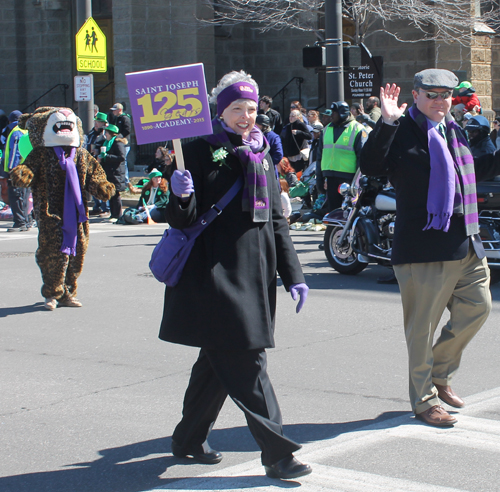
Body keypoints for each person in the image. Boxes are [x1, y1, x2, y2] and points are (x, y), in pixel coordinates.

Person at [159, 70, 311, 480]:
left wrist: (292, 273)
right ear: (220, 111)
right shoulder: (195, 150)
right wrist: (180, 193)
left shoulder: (261, 151)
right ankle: (278, 453)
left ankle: (188, 438)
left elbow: (276, 220)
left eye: (250, 108)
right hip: (215, 275)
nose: (246, 117)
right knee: (247, 361)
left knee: (217, 361)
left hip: (255, 273)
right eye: (236, 109)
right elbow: (181, 220)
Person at [360, 69, 500, 428]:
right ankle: (424, 401)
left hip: (465, 239)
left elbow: (471, 170)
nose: (441, 101)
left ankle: (439, 373)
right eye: (432, 94)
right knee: (421, 329)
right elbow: (372, 165)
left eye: (446, 95)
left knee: (479, 308)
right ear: (416, 95)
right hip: (424, 245)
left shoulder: (454, 129)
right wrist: (387, 123)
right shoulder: (401, 129)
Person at [316, 101, 367, 212]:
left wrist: (358, 182)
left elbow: (362, 158)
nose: (331, 115)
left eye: (334, 113)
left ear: (343, 113)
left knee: (349, 212)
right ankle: (335, 230)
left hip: (349, 180)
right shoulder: (326, 130)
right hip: (330, 178)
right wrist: (319, 179)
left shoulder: (357, 129)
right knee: (333, 212)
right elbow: (319, 156)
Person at [2, 111, 31, 232]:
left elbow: (15, 152)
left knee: (16, 195)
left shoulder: (15, 132)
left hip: (18, 168)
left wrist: (11, 168)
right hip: (27, 168)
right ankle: (27, 220)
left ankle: (20, 222)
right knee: (24, 195)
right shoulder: (27, 131)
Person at [97, 124, 127, 221]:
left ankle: (117, 215)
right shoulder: (107, 142)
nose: (105, 134)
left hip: (116, 172)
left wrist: (107, 156)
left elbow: (122, 157)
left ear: (110, 133)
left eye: (106, 132)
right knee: (111, 193)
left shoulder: (118, 143)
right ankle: (113, 214)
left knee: (115, 194)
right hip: (109, 172)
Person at [86, 112, 110, 217]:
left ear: (104, 124)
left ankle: (106, 208)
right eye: (96, 121)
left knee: (102, 185)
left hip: (102, 163)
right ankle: (97, 206)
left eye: (99, 122)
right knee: (93, 184)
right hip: (91, 161)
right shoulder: (92, 133)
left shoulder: (105, 134)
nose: (96, 124)